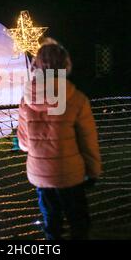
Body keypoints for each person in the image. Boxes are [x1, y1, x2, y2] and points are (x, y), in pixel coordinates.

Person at [17, 39, 102, 240]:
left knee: (52, 225)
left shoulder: (25, 101)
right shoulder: (77, 99)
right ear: (65, 65)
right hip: (71, 175)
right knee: (79, 223)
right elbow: (88, 142)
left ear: (36, 66)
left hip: (41, 176)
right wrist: (94, 171)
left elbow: (23, 144)